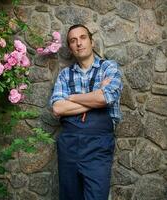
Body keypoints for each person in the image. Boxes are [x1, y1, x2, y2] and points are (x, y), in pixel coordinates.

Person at [50, 24, 123, 200]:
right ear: (70, 47)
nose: (79, 43)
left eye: (83, 38)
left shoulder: (109, 68)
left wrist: (72, 98)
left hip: (99, 145)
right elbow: (58, 108)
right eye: (73, 41)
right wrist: (95, 97)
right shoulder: (64, 75)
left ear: (92, 41)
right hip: (69, 146)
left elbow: (106, 98)